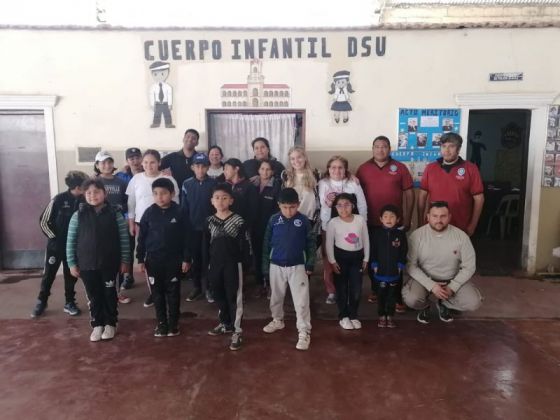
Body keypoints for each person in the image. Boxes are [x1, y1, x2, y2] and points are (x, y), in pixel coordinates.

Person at [66, 179, 130, 342]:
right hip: (87, 265)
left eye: (96, 192)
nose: (92, 195)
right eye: (88, 193)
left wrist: (125, 260)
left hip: (110, 264)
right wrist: (72, 263)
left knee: (110, 294)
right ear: (84, 195)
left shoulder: (115, 214)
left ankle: (110, 323)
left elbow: (124, 239)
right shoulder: (77, 215)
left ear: (105, 194)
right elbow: (71, 241)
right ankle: (97, 324)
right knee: (94, 296)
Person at [356, 135, 413, 307]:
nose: (380, 150)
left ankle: (396, 296)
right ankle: (376, 290)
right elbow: (355, 194)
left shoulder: (400, 168)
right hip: (371, 223)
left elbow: (409, 193)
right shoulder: (363, 169)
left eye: (384, 146)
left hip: (394, 224)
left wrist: (408, 218)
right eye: (377, 146)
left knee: (395, 258)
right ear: (372, 149)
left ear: (389, 149)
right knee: (374, 257)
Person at [404, 201, 482, 324]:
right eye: (435, 216)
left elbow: (469, 266)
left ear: (449, 217)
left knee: (473, 303)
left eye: (443, 216)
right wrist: (432, 286)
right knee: (411, 299)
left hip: (452, 279)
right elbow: (411, 266)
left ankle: (444, 304)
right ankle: (426, 306)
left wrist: (453, 286)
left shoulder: (461, 237)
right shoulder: (417, 236)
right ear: (428, 217)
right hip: (425, 279)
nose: (438, 220)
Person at [262, 188, 316, 351]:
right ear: (279, 205)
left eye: (292, 207)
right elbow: (266, 243)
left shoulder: (304, 221)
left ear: (298, 205)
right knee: (276, 297)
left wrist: (310, 263)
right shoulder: (273, 220)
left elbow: (311, 243)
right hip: (276, 265)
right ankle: (277, 320)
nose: (288, 211)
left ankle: (304, 330)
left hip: (298, 265)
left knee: (301, 300)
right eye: (285, 207)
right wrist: (265, 266)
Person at [136, 178, 191, 337]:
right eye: (156, 193)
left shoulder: (180, 211)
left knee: (173, 292)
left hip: (174, 261)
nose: (159, 197)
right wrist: (140, 259)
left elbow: (188, 237)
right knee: (157, 294)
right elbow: (142, 238)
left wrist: (186, 259)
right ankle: (161, 323)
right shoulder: (148, 213)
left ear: (172, 194)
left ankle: (173, 323)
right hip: (153, 261)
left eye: (164, 193)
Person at [31, 170, 89, 318]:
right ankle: (42, 301)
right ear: (77, 187)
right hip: (55, 247)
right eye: (85, 186)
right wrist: (54, 239)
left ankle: (69, 302)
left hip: (74, 247)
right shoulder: (58, 199)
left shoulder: (85, 200)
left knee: (71, 275)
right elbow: (44, 221)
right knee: (49, 274)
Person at [126, 149, 179, 308]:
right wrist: (131, 223)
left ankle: (168, 289)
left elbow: (176, 203)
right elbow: (131, 203)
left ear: (159, 163)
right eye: (146, 162)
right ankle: (154, 292)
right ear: (142, 163)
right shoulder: (136, 179)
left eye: (153, 162)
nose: (149, 165)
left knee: (166, 257)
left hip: (166, 225)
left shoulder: (168, 179)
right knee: (148, 258)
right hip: (143, 225)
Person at [204, 184, 251, 351]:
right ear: (211, 201)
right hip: (215, 264)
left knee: (234, 297)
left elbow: (246, 244)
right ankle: (225, 323)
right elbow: (205, 245)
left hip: (233, 264)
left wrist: (245, 263)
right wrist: (206, 265)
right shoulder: (209, 221)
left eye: (224, 198)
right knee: (218, 294)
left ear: (231, 200)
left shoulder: (238, 221)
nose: (220, 201)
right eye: (217, 198)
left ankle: (237, 330)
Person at [318, 155, 367, 305]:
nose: (337, 170)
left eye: (340, 167)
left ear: (346, 169)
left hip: (350, 228)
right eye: (333, 167)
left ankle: (349, 288)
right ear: (328, 169)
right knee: (329, 259)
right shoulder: (322, 183)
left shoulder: (353, 183)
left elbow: (362, 205)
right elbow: (322, 205)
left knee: (349, 258)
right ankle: (332, 291)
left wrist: (362, 225)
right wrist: (328, 204)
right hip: (329, 226)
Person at [418, 132, 485, 236]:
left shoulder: (471, 168)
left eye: (451, 146)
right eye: (444, 146)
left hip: (461, 227)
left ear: (458, 149)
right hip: (434, 227)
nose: (447, 150)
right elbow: (422, 196)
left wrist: (473, 225)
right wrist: (420, 222)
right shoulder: (430, 168)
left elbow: (479, 199)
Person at [325, 193, 369, 330]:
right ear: (335, 208)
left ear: (353, 206)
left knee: (356, 289)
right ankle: (343, 316)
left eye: (347, 205)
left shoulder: (360, 220)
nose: (343, 208)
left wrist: (366, 258)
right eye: (339, 205)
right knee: (341, 288)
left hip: (357, 258)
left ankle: (353, 315)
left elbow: (366, 240)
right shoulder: (333, 223)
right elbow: (328, 244)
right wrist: (332, 261)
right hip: (340, 258)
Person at [94, 151, 131, 304]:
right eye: (103, 163)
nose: (107, 165)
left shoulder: (121, 182)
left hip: (117, 225)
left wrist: (120, 209)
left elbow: (128, 203)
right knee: (98, 259)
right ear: (97, 165)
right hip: (98, 227)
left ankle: (117, 292)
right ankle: (97, 294)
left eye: (109, 162)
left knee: (117, 258)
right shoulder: (93, 182)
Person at [181, 153, 217, 303]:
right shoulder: (187, 184)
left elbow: (217, 207)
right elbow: (184, 208)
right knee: (195, 258)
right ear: (192, 167)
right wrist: (185, 225)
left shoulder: (214, 184)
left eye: (203, 166)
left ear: (208, 167)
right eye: (197, 166)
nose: (200, 169)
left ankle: (209, 288)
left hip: (210, 229)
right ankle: (197, 287)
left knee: (210, 259)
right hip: (193, 228)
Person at [370, 205, 408, 328]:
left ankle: (390, 316)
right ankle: (382, 316)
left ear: (398, 219)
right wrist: (374, 264)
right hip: (380, 272)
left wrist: (401, 265)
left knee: (392, 296)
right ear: (381, 219)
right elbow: (373, 250)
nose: (389, 219)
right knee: (381, 296)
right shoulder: (377, 234)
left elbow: (404, 251)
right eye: (385, 216)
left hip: (394, 273)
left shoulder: (400, 234)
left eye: (392, 217)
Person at [253, 160, 282, 298]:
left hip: (271, 227)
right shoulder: (252, 184)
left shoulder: (276, 186)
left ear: (272, 172)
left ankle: (271, 285)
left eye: (268, 169)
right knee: (257, 256)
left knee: (270, 256)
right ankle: (259, 284)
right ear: (258, 170)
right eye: (262, 168)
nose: (265, 172)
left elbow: (278, 209)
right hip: (255, 228)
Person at [116, 147, 143, 290]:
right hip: (128, 217)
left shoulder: (148, 172)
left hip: (145, 216)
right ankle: (128, 276)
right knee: (128, 247)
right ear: (127, 161)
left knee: (146, 246)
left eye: (137, 157)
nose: (135, 161)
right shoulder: (120, 177)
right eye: (132, 158)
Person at [282, 146, 318, 222]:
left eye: (299, 157)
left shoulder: (315, 174)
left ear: (305, 158)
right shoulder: (285, 175)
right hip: (291, 217)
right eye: (292, 159)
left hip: (309, 219)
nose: (296, 161)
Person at [223, 158, 259, 231]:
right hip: (225, 226)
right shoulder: (224, 186)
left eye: (226, 169)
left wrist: (245, 226)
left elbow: (253, 210)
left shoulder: (249, 186)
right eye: (224, 169)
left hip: (242, 227)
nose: (224, 172)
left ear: (236, 169)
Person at [149, 61, 175, 128]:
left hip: (165, 103)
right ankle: (156, 123)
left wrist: (170, 104)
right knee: (157, 114)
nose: (159, 77)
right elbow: (152, 96)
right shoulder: (153, 87)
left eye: (162, 74)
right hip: (157, 103)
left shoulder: (168, 87)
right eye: (155, 74)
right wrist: (152, 105)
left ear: (167, 73)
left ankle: (168, 124)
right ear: (152, 74)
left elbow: (169, 95)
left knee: (167, 114)